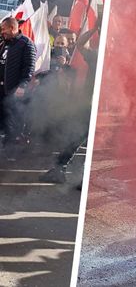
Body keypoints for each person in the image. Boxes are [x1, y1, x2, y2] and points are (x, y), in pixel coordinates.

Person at [39, 21, 100, 184]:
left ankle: (73, 174)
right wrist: (94, 28)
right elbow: (81, 43)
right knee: (79, 137)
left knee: (82, 139)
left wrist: (94, 28)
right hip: (89, 104)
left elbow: (80, 43)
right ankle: (63, 170)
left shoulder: (101, 55)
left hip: (96, 105)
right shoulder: (97, 55)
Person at [0, 17, 36, 155]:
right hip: (1, 89)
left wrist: (23, 85)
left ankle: (10, 151)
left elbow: (29, 66)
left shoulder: (25, 43)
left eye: (3, 29)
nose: (2, 32)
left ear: (12, 28)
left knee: (12, 120)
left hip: (13, 90)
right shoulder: (4, 42)